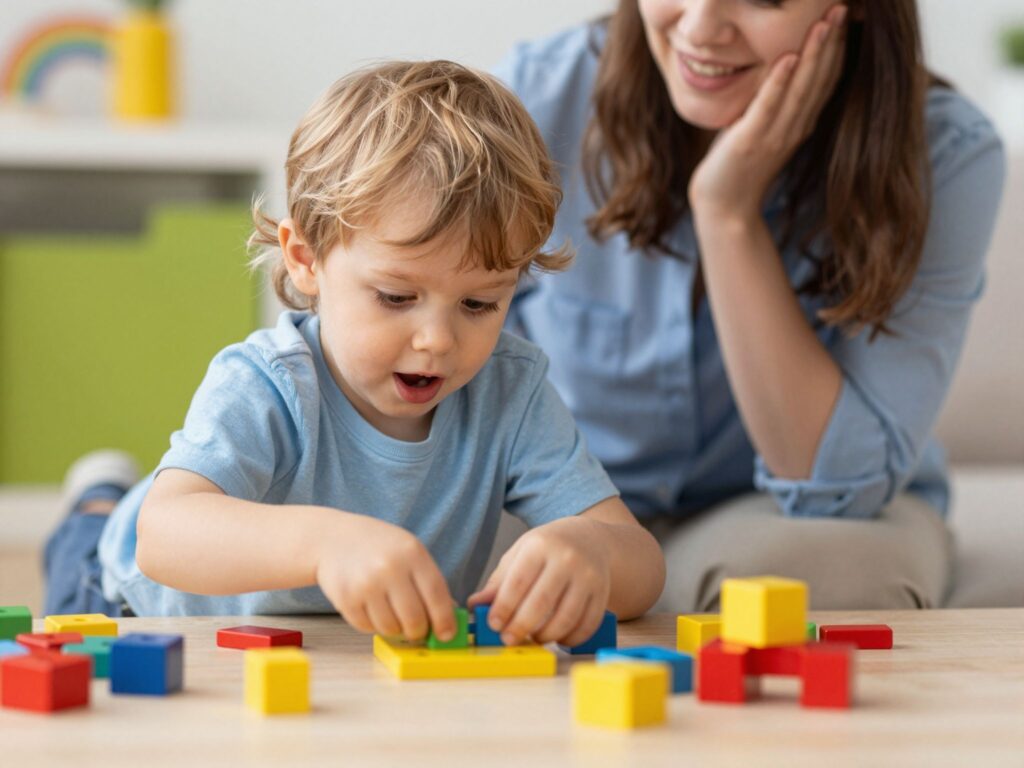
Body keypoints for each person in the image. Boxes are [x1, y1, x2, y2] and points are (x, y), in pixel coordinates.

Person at [43, 60, 666, 647]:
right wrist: (324, 543)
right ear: (306, 260)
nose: (438, 340)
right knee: (93, 538)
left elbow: (642, 565)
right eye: (396, 296)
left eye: (479, 305)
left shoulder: (512, 392)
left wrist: (591, 551)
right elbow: (164, 536)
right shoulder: (267, 382)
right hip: (132, 601)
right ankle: (98, 495)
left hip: (329, 649)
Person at [490, 0, 1006, 610]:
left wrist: (728, 214)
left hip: (780, 513)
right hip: (570, 491)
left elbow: (835, 487)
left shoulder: (944, 155)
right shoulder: (543, 93)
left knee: (831, 585)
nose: (701, 29)